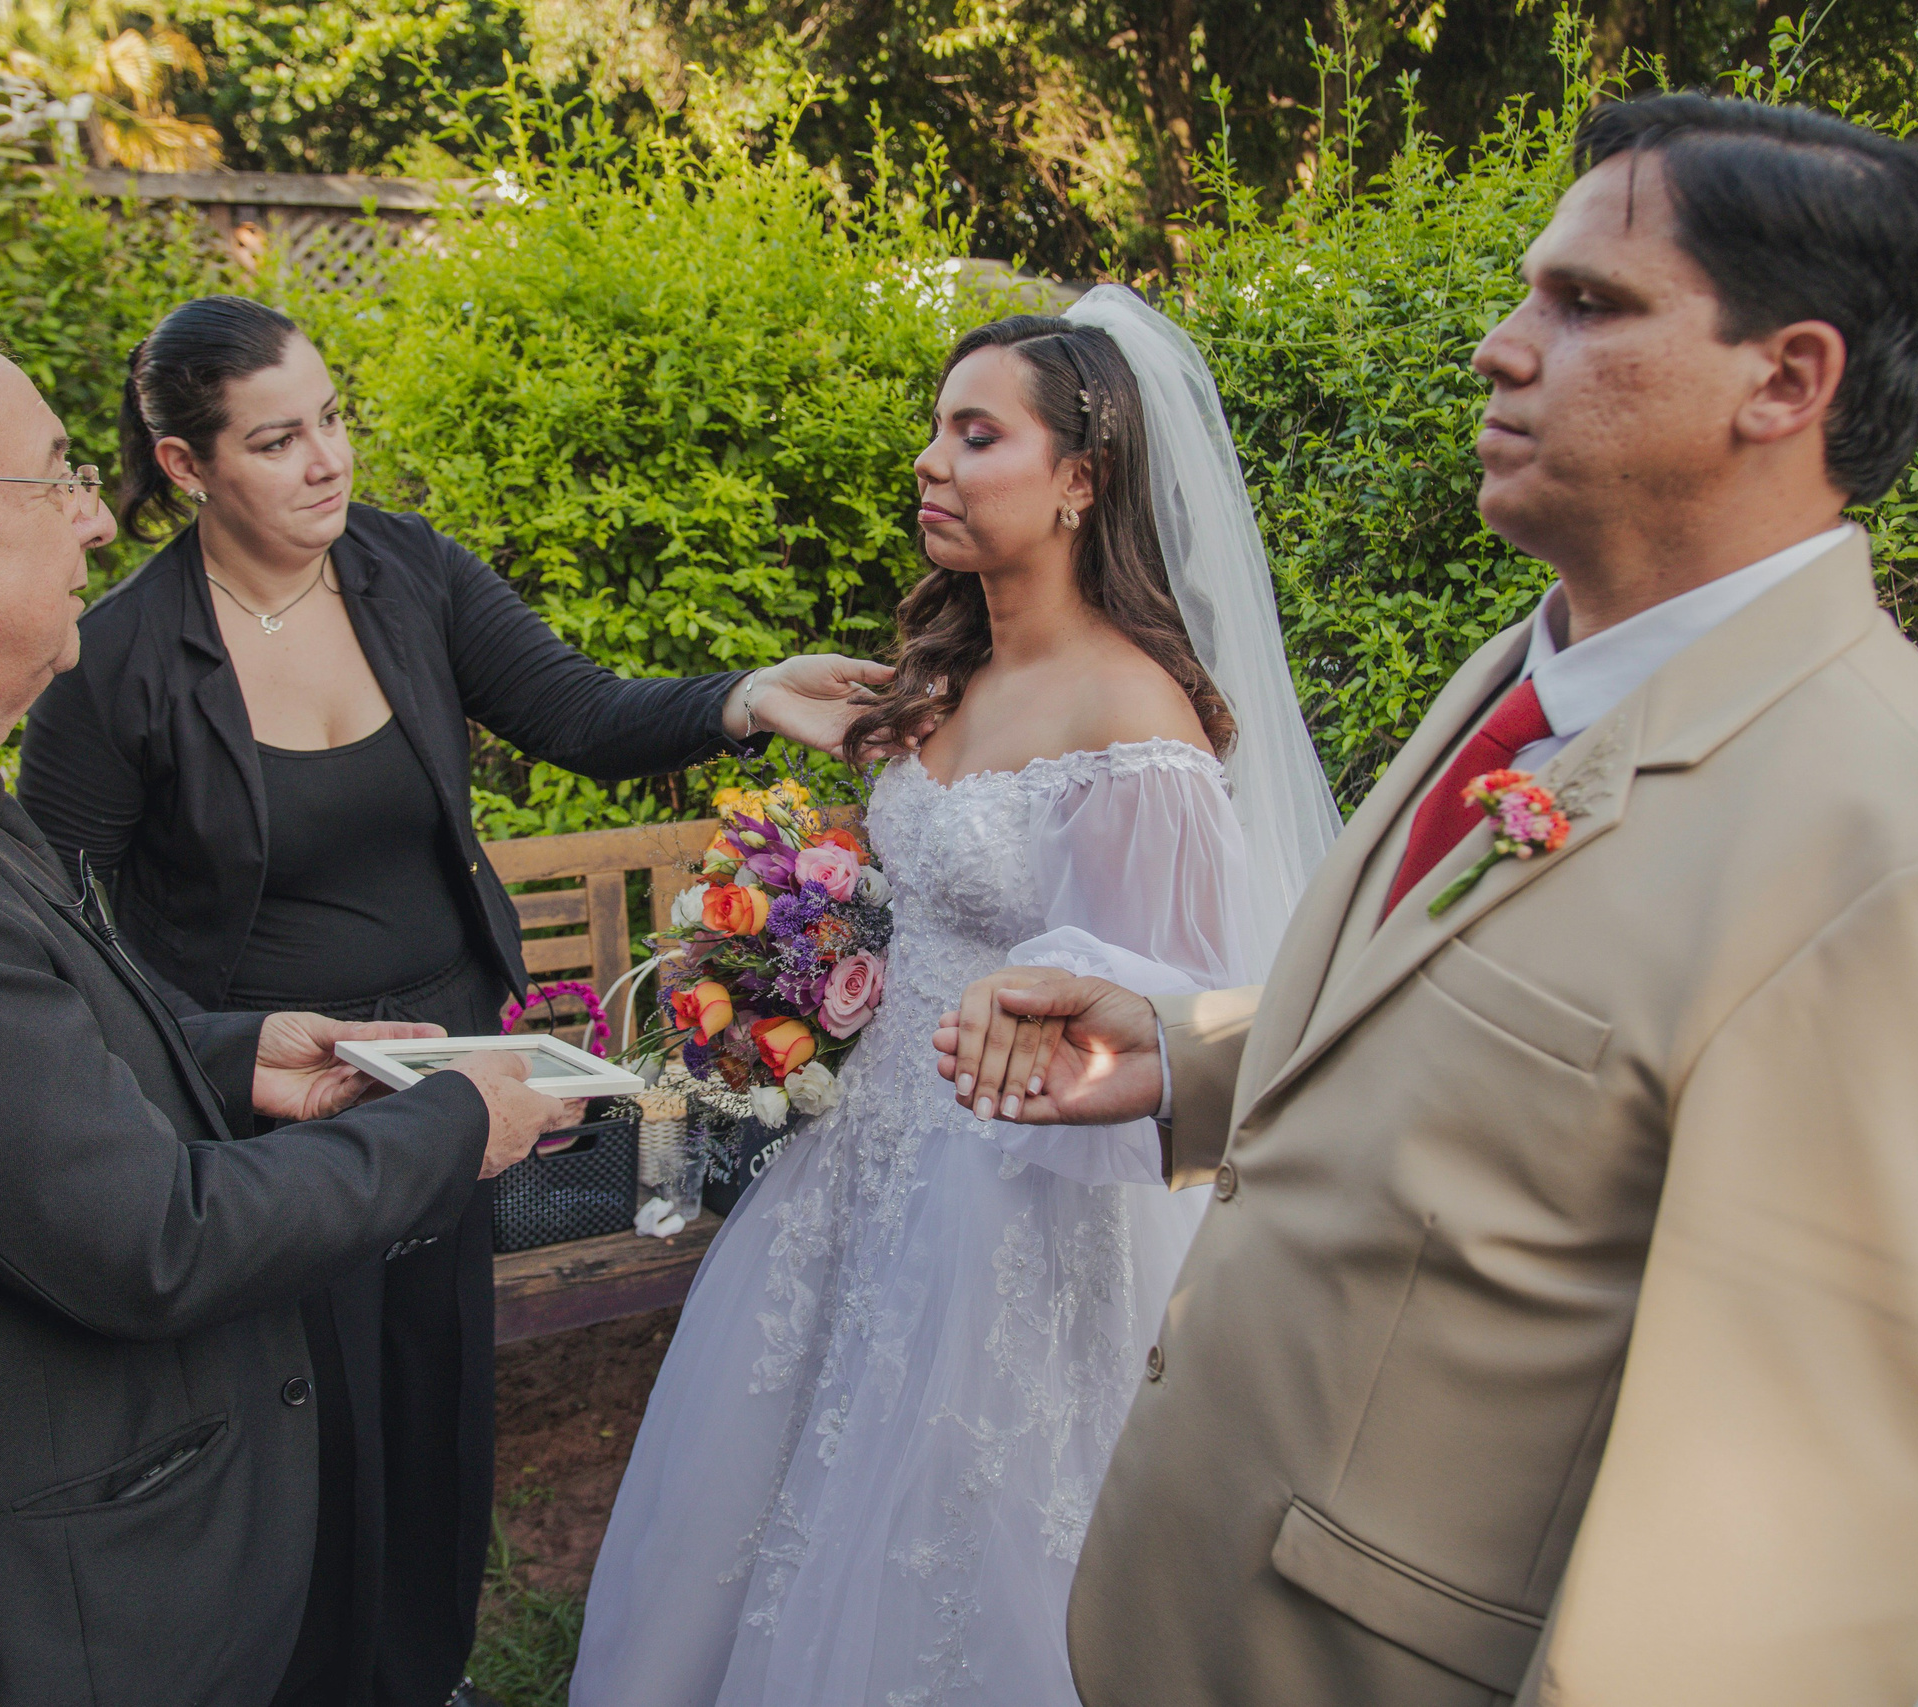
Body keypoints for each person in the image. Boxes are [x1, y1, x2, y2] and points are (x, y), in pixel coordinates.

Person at [941, 97, 1918, 1706]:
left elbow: (1780, 1571)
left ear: (1787, 379)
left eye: (1590, 304)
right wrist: (1190, 1052)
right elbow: (1546, 1058)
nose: (1499, 346)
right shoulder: (1532, 669)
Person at [0, 280, 569, 1707]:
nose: (94, 517)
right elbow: (153, 1239)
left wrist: (232, 1055)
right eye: (55, 478)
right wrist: (455, 1122)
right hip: (26, 1624)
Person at [15, 295, 890, 1707]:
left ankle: (425, 1678)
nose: (327, 460)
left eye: (332, 419)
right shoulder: (118, 659)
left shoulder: (406, 572)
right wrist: (198, 1060)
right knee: (306, 1427)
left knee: (433, 1403)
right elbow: (50, 910)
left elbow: (577, 710)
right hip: (275, 1107)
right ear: (186, 466)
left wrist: (745, 695)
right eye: (277, 440)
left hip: (455, 1078)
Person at [569, 287, 1342, 1706]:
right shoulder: (946, 679)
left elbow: (1175, 1006)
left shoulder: (1137, 724)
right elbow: (905, 905)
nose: (932, 460)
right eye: (937, 428)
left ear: (1079, 480)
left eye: (978, 435)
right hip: (852, 1167)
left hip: (1015, 1212)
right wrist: (786, 969)